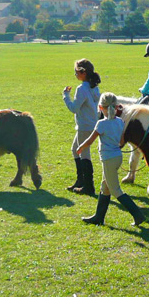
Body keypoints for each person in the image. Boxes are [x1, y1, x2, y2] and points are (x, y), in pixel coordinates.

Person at [77, 93, 145, 226]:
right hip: (117, 157)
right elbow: (121, 141)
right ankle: (98, 217)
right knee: (105, 187)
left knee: (115, 190)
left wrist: (80, 147)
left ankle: (138, 215)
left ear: (100, 107)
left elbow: (90, 141)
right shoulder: (120, 121)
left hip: (108, 159)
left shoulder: (101, 124)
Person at [63, 58, 101, 195]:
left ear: (83, 73)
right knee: (75, 149)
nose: (75, 75)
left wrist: (66, 96)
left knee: (84, 153)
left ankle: (88, 186)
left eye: (76, 72)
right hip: (92, 123)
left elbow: (74, 108)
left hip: (85, 126)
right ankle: (81, 180)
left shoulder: (82, 89)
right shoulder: (94, 86)